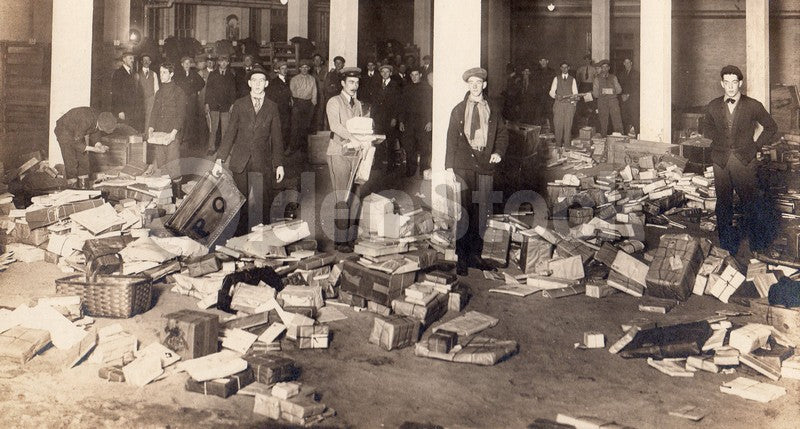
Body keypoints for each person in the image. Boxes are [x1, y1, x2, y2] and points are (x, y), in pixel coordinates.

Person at [701, 65, 778, 255]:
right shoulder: (712, 105)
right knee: (723, 203)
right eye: (726, 82)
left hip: (744, 160)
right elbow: (706, 129)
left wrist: (756, 146)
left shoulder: (753, 105)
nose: (730, 87)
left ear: (740, 83)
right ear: (721, 84)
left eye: (734, 82)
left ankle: (757, 246)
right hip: (721, 161)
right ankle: (727, 245)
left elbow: (771, 127)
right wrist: (717, 140)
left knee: (750, 202)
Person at [445, 67, 508, 276]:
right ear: (467, 85)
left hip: (485, 162)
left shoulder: (493, 109)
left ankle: (475, 255)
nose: (474, 86)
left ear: (484, 85)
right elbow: (451, 139)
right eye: (471, 82)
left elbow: (502, 134)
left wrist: (498, 152)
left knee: (481, 210)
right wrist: (448, 166)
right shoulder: (458, 110)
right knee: (465, 210)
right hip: (464, 162)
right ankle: (462, 257)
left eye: (478, 82)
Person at [214, 66, 284, 234]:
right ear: (249, 83)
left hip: (262, 161)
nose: (257, 84)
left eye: (261, 80)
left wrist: (278, 164)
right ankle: (238, 237)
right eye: (254, 80)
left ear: (266, 83)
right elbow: (230, 133)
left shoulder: (272, 107)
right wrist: (219, 159)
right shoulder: (239, 104)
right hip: (240, 161)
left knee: (261, 202)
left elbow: (277, 137)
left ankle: (262, 238)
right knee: (239, 202)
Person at [325, 67, 368, 253]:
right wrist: (354, 138)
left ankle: (350, 237)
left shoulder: (358, 104)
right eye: (350, 82)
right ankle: (340, 240)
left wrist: (367, 140)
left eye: (357, 82)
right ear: (343, 83)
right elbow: (335, 126)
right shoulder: (334, 102)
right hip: (339, 152)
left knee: (356, 195)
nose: (354, 86)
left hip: (356, 154)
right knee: (342, 195)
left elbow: (363, 126)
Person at [54, 108, 117, 184]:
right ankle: (72, 183)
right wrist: (94, 149)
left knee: (84, 159)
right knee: (71, 160)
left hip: (77, 133)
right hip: (64, 131)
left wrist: (98, 145)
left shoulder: (100, 117)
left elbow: (95, 130)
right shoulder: (85, 120)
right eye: (103, 130)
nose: (102, 131)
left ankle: (83, 183)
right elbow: (76, 143)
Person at [148, 62, 187, 170]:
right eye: (160, 72)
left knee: (172, 163)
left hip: (173, 132)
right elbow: (154, 111)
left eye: (164, 72)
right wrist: (151, 128)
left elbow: (181, 115)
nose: (161, 75)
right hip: (159, 132)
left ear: (171, 74)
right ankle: (165, 186)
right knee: (161, 163)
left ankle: (175, 186)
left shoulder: (179, 92)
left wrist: (174, 132)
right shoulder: (159, 92)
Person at [398, 67, 432, 177]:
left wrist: (429, 121)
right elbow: (402, 106)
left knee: (424, 147)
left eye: (416, 75)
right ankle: (410, 170)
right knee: (409, 147)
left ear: (420, 75)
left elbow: (430, 106)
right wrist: (402, 121)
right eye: (412, 75)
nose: (414, 77)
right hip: (409, 122)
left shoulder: (427, 88)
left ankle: (424, 170)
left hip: (423, 122)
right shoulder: (406, 88)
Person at [204, 54, 237, 154]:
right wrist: (207, 103)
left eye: (225, 61)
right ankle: (211, 148)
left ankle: (224, 149)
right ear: (218, 63)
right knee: (213, 128)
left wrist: (232, 104)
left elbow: (233, 91)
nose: (223, 63)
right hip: (214, 105)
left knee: (225, 129)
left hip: (226, 106)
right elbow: (208, 90)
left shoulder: (231, 75)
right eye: (221, 61)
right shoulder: (213, 74)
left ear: (228, 63)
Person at [373, 64, 401, 170]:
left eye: (387, 72)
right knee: (378, 141)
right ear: (380, 73)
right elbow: (374, 103)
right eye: (382, 72)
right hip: (379, 118)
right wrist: (373, 118)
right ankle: (378, 163)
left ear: (390, 73)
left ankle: (391, 164)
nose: (384, 74)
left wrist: (394, 118)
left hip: (390, 118)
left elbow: (397, 103)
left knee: (390, 141)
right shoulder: (377, 85)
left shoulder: (395, 85)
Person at [174, 56, 205, 147]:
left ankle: (191, 142)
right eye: (185, 63)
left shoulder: (194, 74)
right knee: (181, 120)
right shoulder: (178, 75)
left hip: (191, 100)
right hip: (181, 101)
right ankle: (180, 140)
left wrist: (194, 91)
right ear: (182, 64)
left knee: (191, 120)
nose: (187, 65)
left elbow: (202, 83)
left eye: (188, 63)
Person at [289, 59, 317, 155]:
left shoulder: (312, 79)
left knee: (306, 126)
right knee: (295, 127)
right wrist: (296, 105)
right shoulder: (294, 79)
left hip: (308, 104)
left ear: (309, 68)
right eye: (302, 67)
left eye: (306, 67)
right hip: (298, 103)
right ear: (299, 68)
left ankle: (304, 149)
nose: (304, 69)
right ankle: (292, 148)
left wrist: (313, 105)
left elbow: (314, 93)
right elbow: (293, 93)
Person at [111, 51, 143, 131]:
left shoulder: (133, 73)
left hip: (133, 110)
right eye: (130, 58)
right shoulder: (118, 73)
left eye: (133, 58)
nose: (132, 60)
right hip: (124, 110)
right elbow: (116, 93)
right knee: (124, 132)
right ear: (124, 59)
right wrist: (119, 110)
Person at [549, 61, 579, 147]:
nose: (564, 69)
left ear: (568, 68)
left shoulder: (572, 79)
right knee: (558, 125)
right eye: (563, 67)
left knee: (568, 125)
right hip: (559, 104)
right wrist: (555, 96)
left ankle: (567, 146)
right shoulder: (556, 78)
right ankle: (558, 145)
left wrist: (574, 104)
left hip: (569, 105)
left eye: (566, 67)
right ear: (560, 68)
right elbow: (551, 92)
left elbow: (575, 93)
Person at [265, 61, 293, 154]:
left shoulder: (288, 81)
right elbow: (270, 97)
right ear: (277, 70)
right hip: (278, 110)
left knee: (286, 129)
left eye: (286, 68)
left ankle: (283, 150)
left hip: (286, 110)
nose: (285, 70)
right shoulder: (273, 82)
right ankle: (277, 151)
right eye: (282, 68)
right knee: (277, 131)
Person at [592, 59, 623, 136]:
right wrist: (606, 92)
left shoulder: (613, 77)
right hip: (602, 102)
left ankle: (620, 140)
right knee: (603, 122)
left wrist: (609, 91)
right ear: (601, 68)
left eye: (606, 67)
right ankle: (603, 140)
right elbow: (595, 94)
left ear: (609, 68)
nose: (605, 69)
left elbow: (619, 90)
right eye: (603, 67)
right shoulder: (597, 79)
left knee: (617, 121)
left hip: (613, 102)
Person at [618, 57, 640, 135]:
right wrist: (622, 95)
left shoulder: (636, 73)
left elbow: (637, 87)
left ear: (631, 63)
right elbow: (619, 87)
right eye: (625, 63)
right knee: (624, 118)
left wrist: (628, 95)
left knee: (634, 118)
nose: (627, 64)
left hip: (633, 99)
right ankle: (625, 135)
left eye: (628, 63)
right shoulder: (621, 74)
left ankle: (637, 136)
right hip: (624, 100)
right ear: (623, 64)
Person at [139, 53, 160, 132]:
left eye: (148, 60)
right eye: (144, 60)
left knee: (149, 117)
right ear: (141, 62)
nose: (146, 62)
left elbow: (156, 88)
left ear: (150, 62)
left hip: (151, 99)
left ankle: (147, 136)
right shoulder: (137, 74)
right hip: (140, 99)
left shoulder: (154, 74)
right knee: (140, 117)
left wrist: (155, 100)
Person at [533, 57, 556, 128]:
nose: (543, 62)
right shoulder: (536, 72)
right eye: (541, 61)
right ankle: (536, 132)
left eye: (544, 60)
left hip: (549, 97)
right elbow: (534, 84)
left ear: (547, 61)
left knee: (551, 114)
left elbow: (555, 84)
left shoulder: (552, 71)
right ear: (539, 62)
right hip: (539, 97)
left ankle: (553, 131)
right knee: (538, 114)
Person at [576, 54, 597, 128]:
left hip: (590, 86)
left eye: (588, 60)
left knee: (589, 102)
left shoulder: (594, 69)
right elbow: (578, 80)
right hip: (582, 87)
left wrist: (593, 89)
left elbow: (595, 80)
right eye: (585, 60)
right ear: (584, 60)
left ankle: (589, 121)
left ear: (590, 61)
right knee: (582, 103)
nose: (587, 61)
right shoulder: (580, 69)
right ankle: (582, 121)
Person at [311, 53, 329, 131]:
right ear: (313, 62)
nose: (317, 61)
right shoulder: (310, 71)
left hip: (322, 95)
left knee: (322, 114)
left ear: (321, 61)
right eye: (315, 60)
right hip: (312, 95)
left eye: (318, 60)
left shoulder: (326, 70)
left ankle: (321, 131)